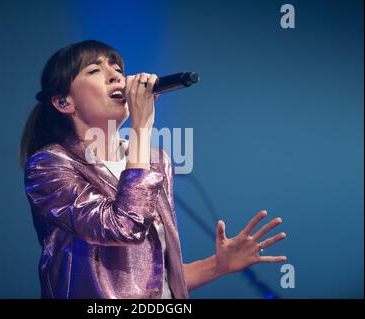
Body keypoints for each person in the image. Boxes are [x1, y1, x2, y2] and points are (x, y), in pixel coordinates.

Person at [19, 40, 287, 299]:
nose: (115, 76)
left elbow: (151, 281)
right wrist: (142, 127)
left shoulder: (157, 160)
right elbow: (125, 227)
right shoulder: (49, 165)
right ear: (64, 102)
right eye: (95, 70)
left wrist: (218, 265)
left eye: (117, 69)